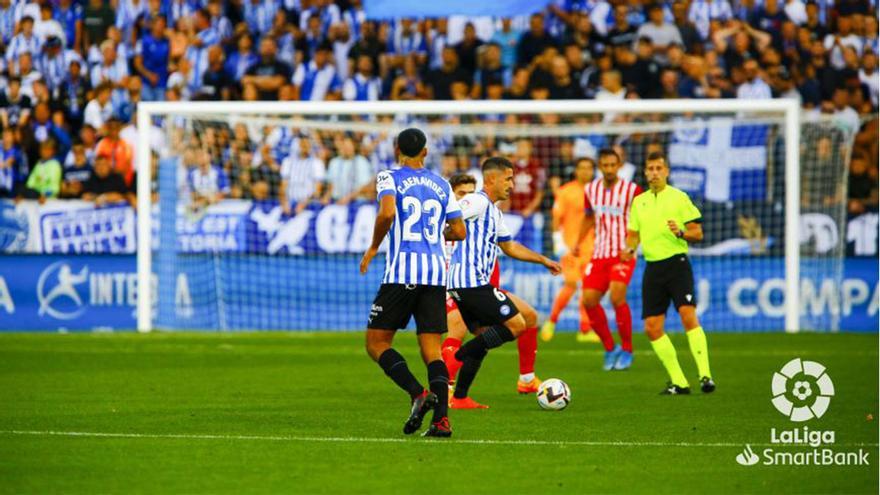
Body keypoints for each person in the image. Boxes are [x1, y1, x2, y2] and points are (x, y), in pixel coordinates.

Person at [359, 128, 466, 438]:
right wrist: (435, 236)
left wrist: (374, 245)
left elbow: (387, 211)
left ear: (397, 151)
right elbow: (459, 231)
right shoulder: (442, 183)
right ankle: (442, 421)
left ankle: (418, 393)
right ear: (425, 152)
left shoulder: (388, 177)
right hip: (435, 275)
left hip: (401, 274)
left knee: (377, 343)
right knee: (432, 350)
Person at [445, 157, 561, 409]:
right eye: (508, 178)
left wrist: (543, 260)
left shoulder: (494, 212)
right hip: (470, 282)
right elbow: (449, 214)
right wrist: (444, 233)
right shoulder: (476, 201)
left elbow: (509, 246)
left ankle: (461, 397)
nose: (512, 184)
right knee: (518, 324)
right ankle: (457, 357)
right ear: (491, 179)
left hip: (470, 283)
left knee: (483, 338)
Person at [623, 152, 715, 394]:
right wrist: (629, 248)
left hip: (677, 264)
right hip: (652, 267)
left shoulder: (679, 198)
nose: (654, 172)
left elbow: (698, 233)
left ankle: (705, 375)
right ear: (645, 173)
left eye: (658, 168)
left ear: (667, 171)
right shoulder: (639, 201)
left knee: (687, 315)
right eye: (650, 168)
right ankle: (679, 382)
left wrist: (681, 233)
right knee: (652, 327)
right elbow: (634, 233)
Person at [573, 149, 642, 370]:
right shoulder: (591, 189)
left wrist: (632, 248)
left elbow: (642, 221)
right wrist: (578, 241)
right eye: (605, 165)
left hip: (623, 253)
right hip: (600, 253)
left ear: (619, 165)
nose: (610, 169)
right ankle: (610, 348)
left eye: (613, 165)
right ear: (599, 166)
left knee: (617, 296)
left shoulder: (632, 190)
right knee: (589, 301)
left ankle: (628, 350)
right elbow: (588, 217)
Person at [541, 157, 597, 343]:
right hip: (570, 247)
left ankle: (585, 330)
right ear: (576, 170)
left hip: (592, 247)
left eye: (589, 168)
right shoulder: (566, 192)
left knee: (588, 287)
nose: (585, 171)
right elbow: (556, 218)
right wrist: (559, 243)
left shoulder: (598, 191)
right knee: (571, 284)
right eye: (582, 168)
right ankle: (551, 321)